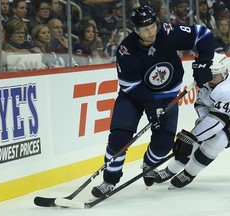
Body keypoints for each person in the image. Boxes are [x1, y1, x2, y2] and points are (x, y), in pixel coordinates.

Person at [91, 5, 214, 198]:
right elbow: (130, 86)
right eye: (146, 29)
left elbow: (203, 35)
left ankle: (149, 164)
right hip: (134, 97)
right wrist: (151, 106)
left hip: (166, 95)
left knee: (164, 144)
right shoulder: (126, 51)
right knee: (119, 138)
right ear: (136, 30)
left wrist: (203, 63)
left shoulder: (167, 32)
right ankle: (109, 180)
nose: (151, 31)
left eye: (153, 26)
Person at [154, 52, 230, 188]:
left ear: (225, 72)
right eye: (208, 75)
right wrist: (201, 122)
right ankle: (170, 170)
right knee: (194, 140)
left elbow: (216, 122)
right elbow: (201, 103)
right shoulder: (207, 78)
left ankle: (189, 173)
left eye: (213, 76)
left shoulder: (229, 90)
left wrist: (194, 136)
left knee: (215, 142)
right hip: (226, 114)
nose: (209, 79)